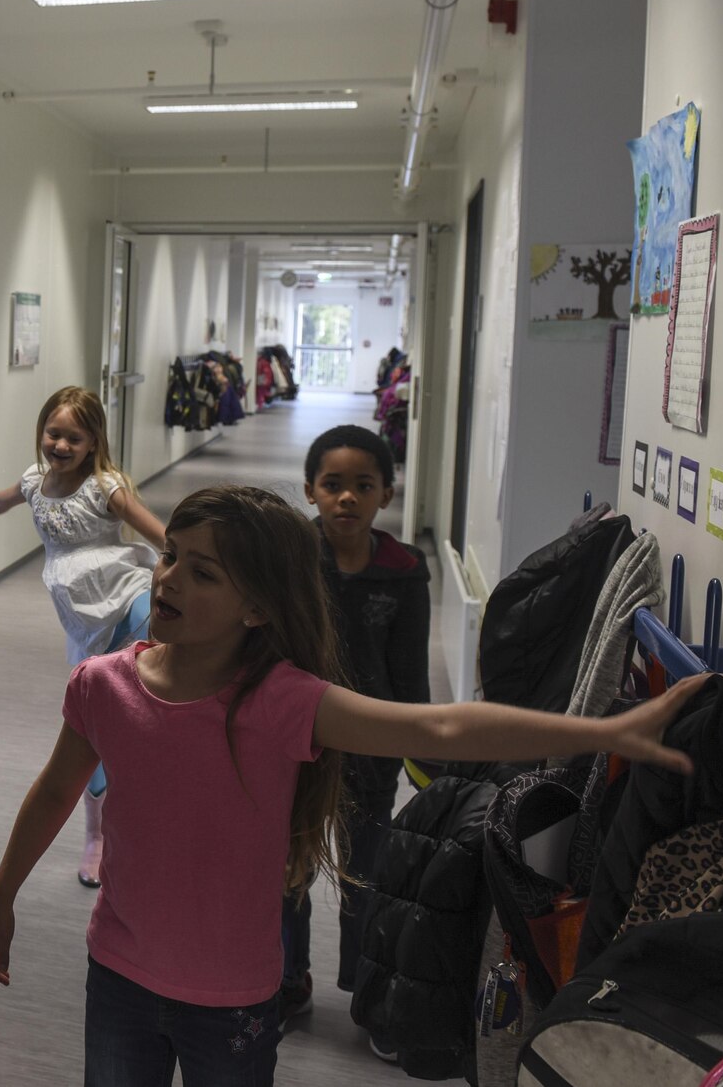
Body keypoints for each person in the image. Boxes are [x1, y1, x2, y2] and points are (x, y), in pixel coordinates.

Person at [0, 485, 705, 1087]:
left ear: (257, 608)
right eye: (171, 557)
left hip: (232, 1001)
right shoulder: (101, 685)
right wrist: (2, 896)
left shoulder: (279, 702)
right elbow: (54, 793)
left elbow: (440, 727)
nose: (168, 579)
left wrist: (604, 733)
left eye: (203, 573)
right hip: (120, 975)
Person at [0, 386, 166, 887]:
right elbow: (0, 499)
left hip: (127, 595)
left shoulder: (105, 487)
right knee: (92, 722)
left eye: (74, 438)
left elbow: (156, 531)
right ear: (41, 433)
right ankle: (96, 835)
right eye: (54, 434)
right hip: (83, 618)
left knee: (143, 666)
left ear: (93, 442)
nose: (61, 445)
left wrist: (187, 565)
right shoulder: (35, 481)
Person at [279, 425, 430, 1027]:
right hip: (296, 738)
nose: (347, 497)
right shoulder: (291, 559)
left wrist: (425, 759)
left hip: (371, 747)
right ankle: (287, 980)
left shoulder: (404, 569)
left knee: (366, 874)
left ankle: (366, 990)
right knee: (288, 865)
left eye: (363, 486)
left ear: (385, 494)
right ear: (310, 491)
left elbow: (411, 675)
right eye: (332, 485)